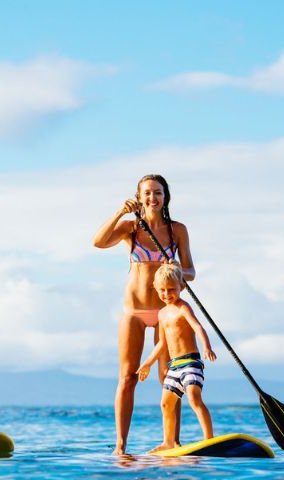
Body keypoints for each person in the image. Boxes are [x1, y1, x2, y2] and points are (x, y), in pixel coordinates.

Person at [92, 174, 196, 455]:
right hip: (135, 311)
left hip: (167, 313)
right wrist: (119, 213)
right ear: (139, 197)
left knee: (169, 376)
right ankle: (121, 446)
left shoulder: (178, 231)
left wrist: (176, 269)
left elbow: (191, 272)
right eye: (147, 193)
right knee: (127, 377)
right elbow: (98, 242)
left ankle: (172, 442)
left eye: (158, 193)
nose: (153, 198)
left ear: (166, 197)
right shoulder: (130, 228)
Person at [137, 263, 216, 453]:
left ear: (182, 286)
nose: (166, 294)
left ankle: (209, 439)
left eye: (171, 289)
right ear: (156, 289)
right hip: (174, 367)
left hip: (190, 362)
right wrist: (147, 363)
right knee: (166, 403)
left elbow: (198, 327)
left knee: (194, 398)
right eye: (162, 290)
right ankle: (169, 441)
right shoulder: (162, 313)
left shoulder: (183, 308)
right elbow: (162, 344)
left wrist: (206, 346)